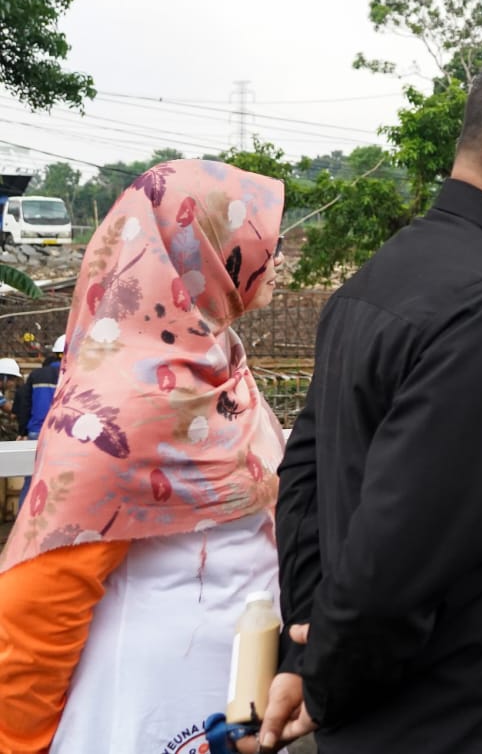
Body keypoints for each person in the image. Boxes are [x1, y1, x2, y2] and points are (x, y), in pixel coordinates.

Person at [264, 43, 482, 754]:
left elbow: (306, 478)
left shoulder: (380, 277)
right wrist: (330, 675)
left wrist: (309, 647)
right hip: (472, 712)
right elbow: (407, 545)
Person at [0, 160, 286, 754]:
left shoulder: (222, 371)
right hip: (146, 705)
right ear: (204, 254)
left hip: (240, 694)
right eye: (260, 243)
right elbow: (41, 601)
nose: (275, 259)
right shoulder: (118, 409)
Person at [14, 335, 63, 505]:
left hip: (36, 433)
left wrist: (23, 431)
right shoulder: (74, 374)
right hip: (61, 434)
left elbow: (24, 405)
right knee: (60, 481)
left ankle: (23, 521)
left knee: (31, 480)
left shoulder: (36, 375)